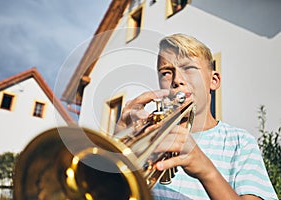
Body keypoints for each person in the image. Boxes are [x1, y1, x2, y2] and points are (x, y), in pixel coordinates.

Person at [115, 33, 277, 199]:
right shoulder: (145, 139)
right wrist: (120, 143)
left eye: (189, 68)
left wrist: (206, 171)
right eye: (166, 73)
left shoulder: (240, 142)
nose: (177, 79)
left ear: (213, 80)